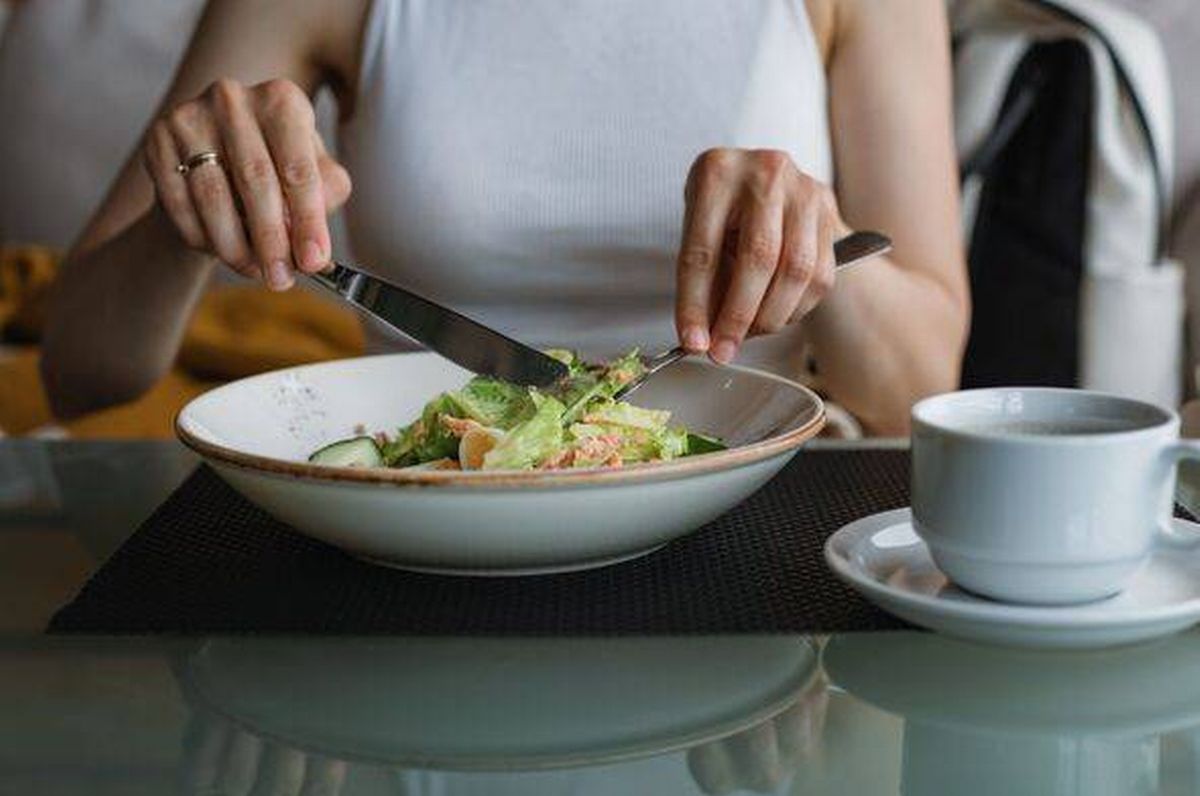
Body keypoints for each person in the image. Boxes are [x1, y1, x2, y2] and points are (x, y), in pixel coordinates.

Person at [40, 0, 969, 435]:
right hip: (412, 533)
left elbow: (923, 380)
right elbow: (80, 370)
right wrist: (189, 209)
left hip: (747, 518)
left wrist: (817, 251)